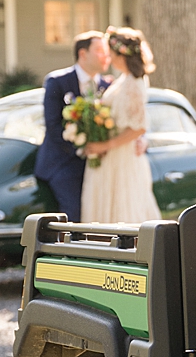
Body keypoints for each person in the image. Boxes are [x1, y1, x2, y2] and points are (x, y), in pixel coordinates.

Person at [80, 27, 163, 224]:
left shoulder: (134, 82)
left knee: (123, 208)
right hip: (114, 157)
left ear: (119, 54)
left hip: (122, 158)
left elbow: (139, 127)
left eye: (110, 51)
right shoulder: (124, 79)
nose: (108, 56)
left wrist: (104, 145)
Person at [38, 31, 111, 222]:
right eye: (100, 50)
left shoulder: (108, 86)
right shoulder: (58, 81)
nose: (106, 55)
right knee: (75, 213)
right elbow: (53, 127)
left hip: (100, 164)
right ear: (83, 54)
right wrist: (82, 150)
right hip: (63, 163)